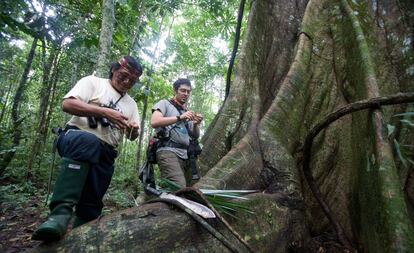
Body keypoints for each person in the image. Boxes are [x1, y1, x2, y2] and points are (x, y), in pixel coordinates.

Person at [32, 56, 142, 242]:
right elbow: (67, 104)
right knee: (87, 140)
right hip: (75, 138)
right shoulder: (93, 82)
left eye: (132, 80)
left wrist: (133, 130)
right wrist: (103, 111)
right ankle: (59, 216)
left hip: (106, 151)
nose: (126, 82)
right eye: (123, 76)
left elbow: (132, 136)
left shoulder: (131, 104)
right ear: (114, 70)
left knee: (94, 198)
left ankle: (80, 234)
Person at [150, 78, 202, 187]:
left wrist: (196, 123)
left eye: (188, 91)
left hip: (187, 155)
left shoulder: (186, 111)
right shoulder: (165, 104)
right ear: (175, 90)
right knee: (178, 186)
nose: (186, 94)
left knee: (191, 188)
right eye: (183, 90)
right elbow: (155, 121)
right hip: (168, 151)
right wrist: (180, 117)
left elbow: (195, 135)